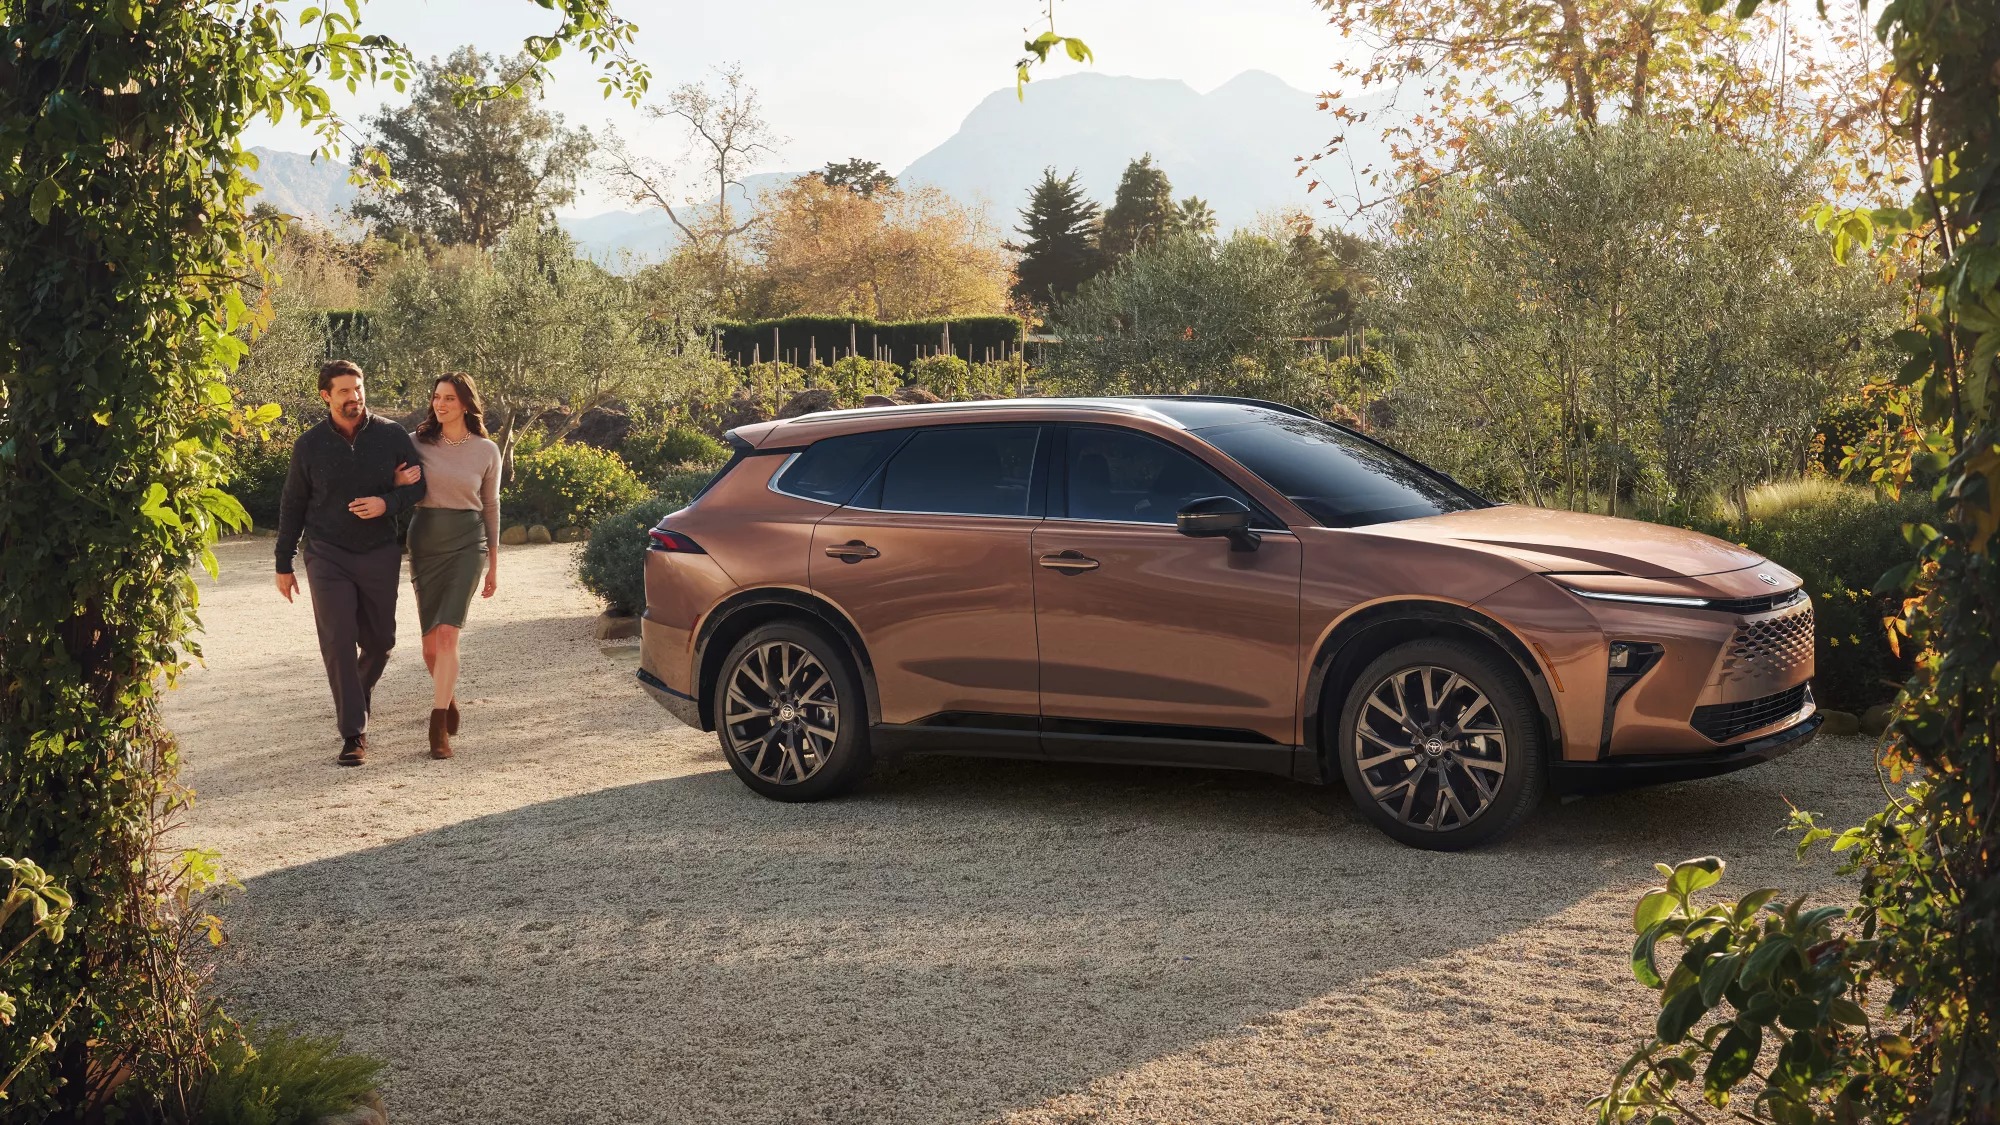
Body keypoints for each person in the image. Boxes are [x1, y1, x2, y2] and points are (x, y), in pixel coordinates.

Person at [274, 359, 428, 767]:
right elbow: (293, 504)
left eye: (357, 388)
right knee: (339, 641)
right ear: (326, 396)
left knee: (381, 642)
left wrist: (386, 502)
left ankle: (356, 698)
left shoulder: (391, 435)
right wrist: (283, 562)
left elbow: (420, 486)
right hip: (327, 553)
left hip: (379, 550)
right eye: (344, 390)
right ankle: (353, 734)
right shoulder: (308, 445)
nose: (354, 396)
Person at [406, 373, 502, 760]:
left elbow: (491, 506)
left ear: (465, 403)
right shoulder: (415, 443)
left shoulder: (486, 450)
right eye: (436, 398)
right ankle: (450, 698)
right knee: (430, 647)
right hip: (425, 540)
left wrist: (494, 563)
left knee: (448, 635)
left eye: (448, 398)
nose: (440, 404)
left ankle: (437, 724)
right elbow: (395, 483)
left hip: (467, 543)